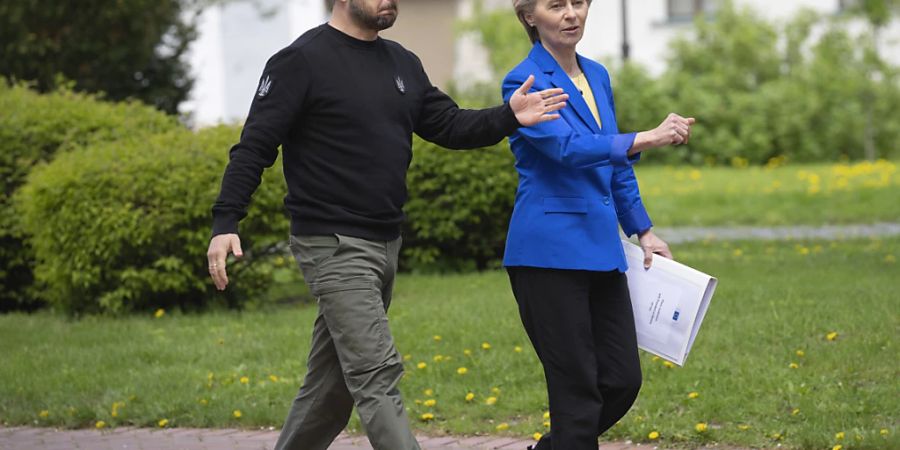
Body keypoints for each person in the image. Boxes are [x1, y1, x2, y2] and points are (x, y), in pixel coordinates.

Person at [205, 1, 568, 449]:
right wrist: (226, 220)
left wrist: (509, 115)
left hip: (385, 242)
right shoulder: (300, 61)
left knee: (331, 390)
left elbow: (449, 126)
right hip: (332, 244)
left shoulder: (402, 62)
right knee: (376, 373)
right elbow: (255, 146)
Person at [502, 1, 695, 449]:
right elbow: (567, 149)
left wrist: (643, 230)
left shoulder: (598, 76)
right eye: (555, 5)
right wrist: (645, 137)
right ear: (530, 16)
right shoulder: (522, 81)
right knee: (577, 394)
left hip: (602, 253)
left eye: (579, 2)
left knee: (622, 380)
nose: (572, 14)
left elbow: (616, 165)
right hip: (547, 255)